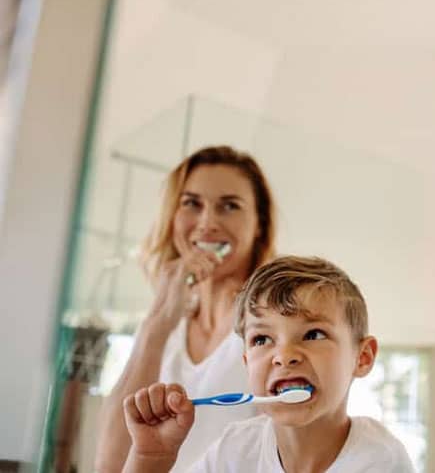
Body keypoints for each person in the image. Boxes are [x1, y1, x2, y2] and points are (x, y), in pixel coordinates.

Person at [119, 255, 416, 473]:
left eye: (313, 334)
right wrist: (150, 459)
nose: (284, 354)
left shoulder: (381, 461)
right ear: (247, 363)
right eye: (262, 339)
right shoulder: (236, 449)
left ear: (362, 357)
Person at [96, 146, 278, 472]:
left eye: (229, 206)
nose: (207, 223)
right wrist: (157, 323)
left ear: (259, 225)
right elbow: (110, 463)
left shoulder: (272, 328)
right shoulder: (163, 328)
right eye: (192, 203)